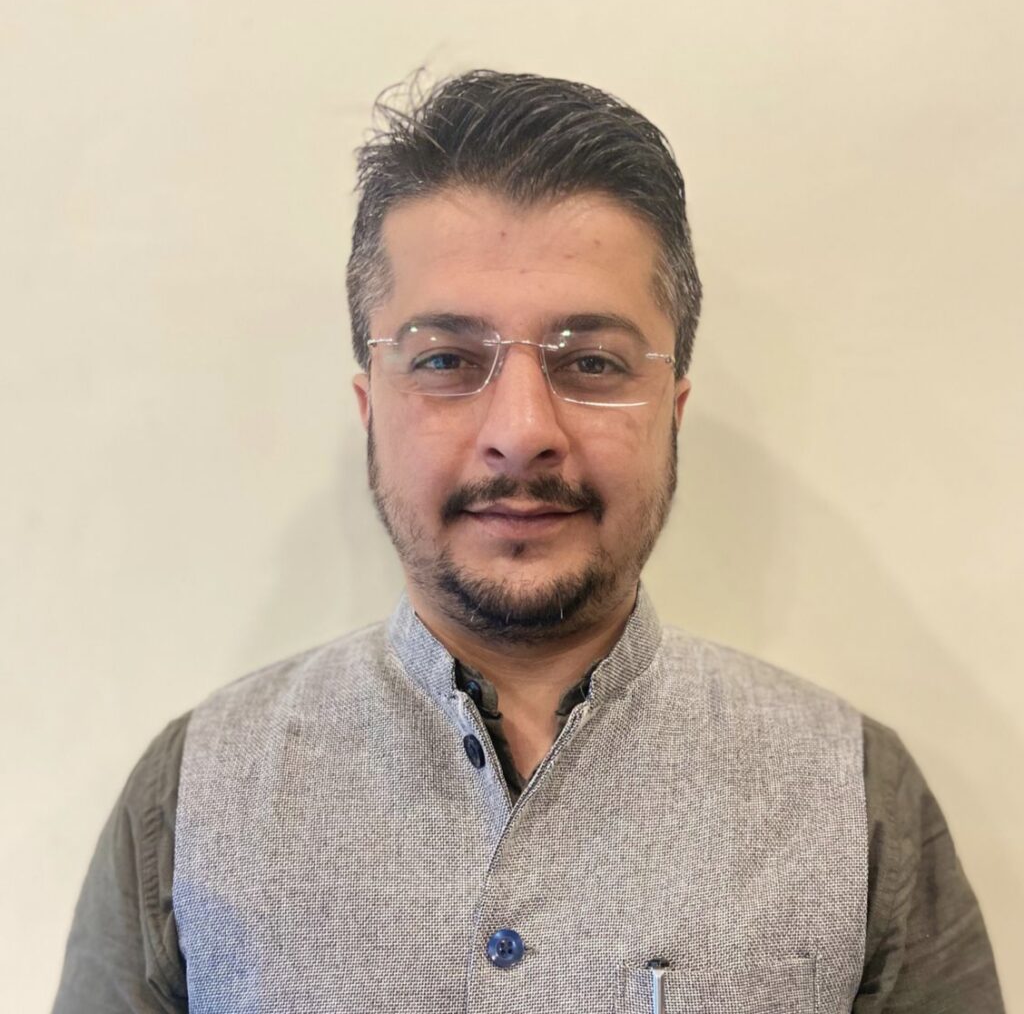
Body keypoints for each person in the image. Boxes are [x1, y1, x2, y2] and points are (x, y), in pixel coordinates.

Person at [54, 70, 1004, 1014]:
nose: (521, 430)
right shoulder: (191, 799)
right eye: (446, 359)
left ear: (672, 413)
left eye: (591, 362)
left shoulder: (856, 800)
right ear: (371, 410)